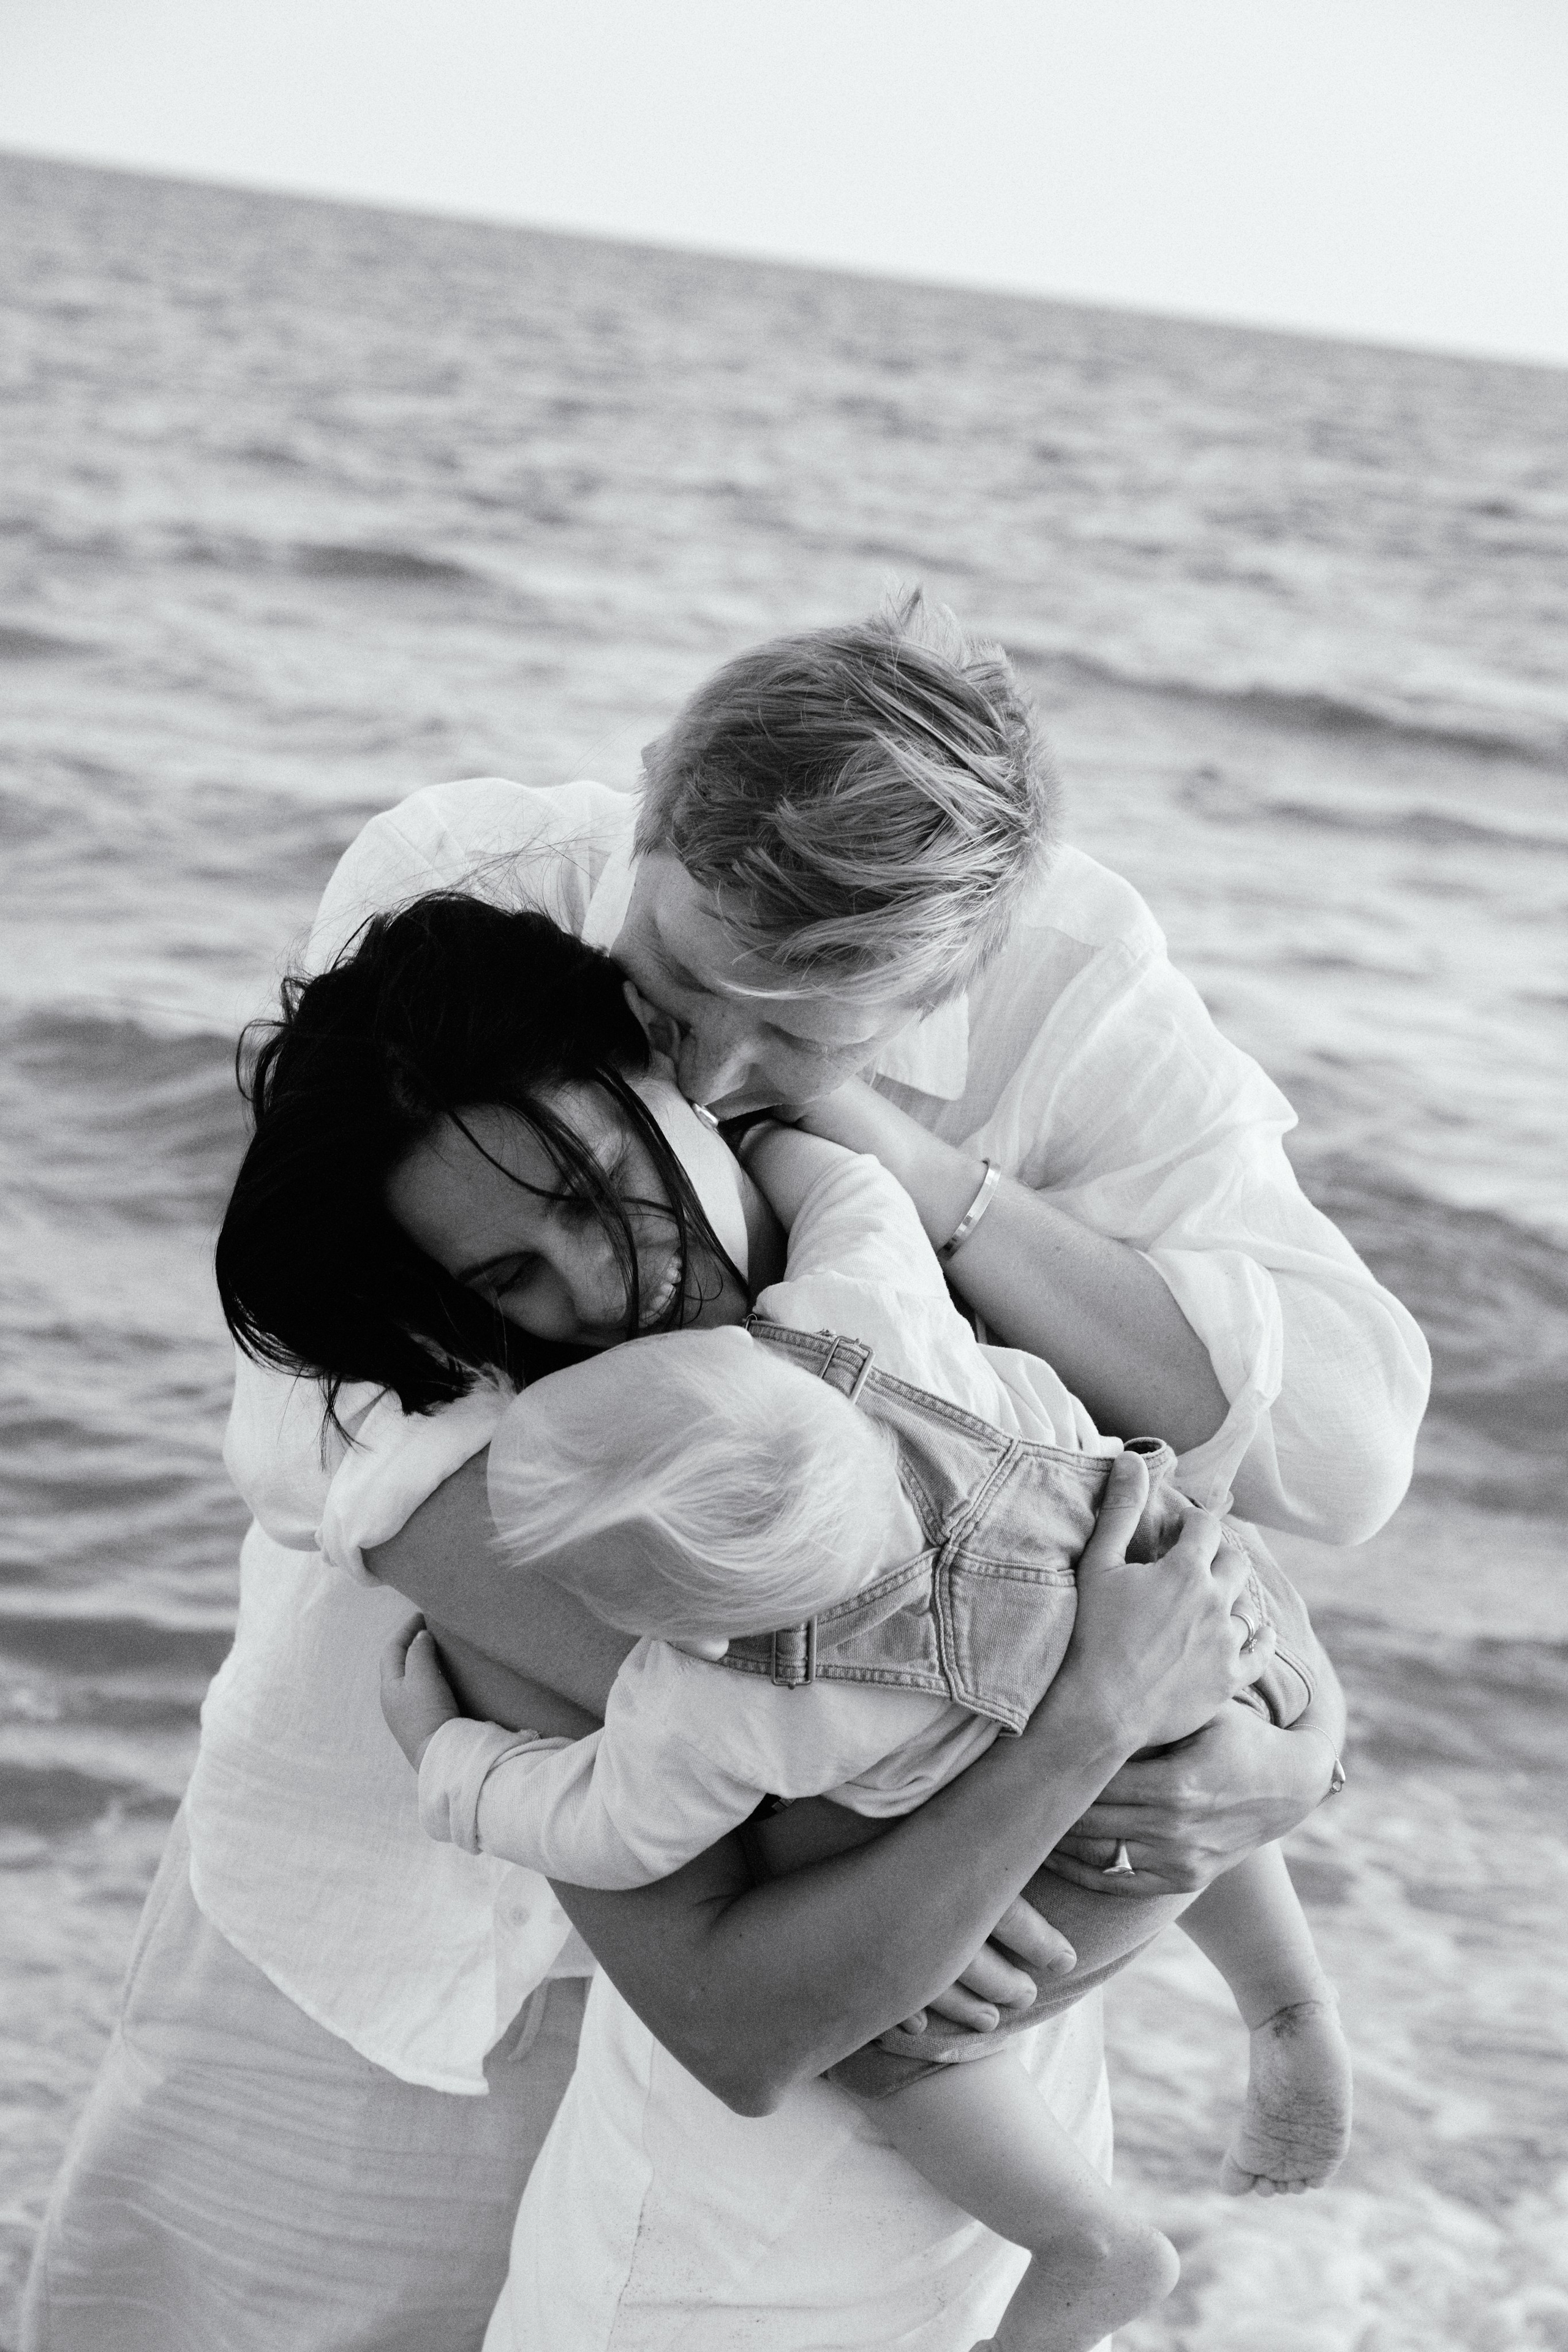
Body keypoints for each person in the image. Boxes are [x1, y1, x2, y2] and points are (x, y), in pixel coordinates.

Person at [23, 594, 1414, 2349]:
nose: (712, 1068)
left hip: (909, 1970)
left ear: (958, 967)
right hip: (385, 1912)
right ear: (657, 805)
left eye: (805, 1030)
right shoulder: (472, 879)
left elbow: (1344, 1449)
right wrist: (903, 1779)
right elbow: (321, 1412)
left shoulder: (1064, 990)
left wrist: (922, 1172)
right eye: (679, 986)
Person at [363, 1093, 1352, 2352]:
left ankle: (1083, 2239)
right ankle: (1286, 2005)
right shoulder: (873, 1338)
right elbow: (862, 1205)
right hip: (1208, 1666)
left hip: (1054, 1902)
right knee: (1171, 1740)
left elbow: (599, 1827)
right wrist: (781, 1134)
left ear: (677, 1624)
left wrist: (447, 1762)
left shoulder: (731, 1698)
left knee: (888, 2050)